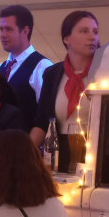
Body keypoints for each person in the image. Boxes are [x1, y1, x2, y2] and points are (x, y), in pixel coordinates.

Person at [31, 10, 100, 173]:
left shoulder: (104, 72)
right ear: (66, 38)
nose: (92, 37)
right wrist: (23, 153)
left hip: (96, 159)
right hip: (59, 158)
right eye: (84, 31)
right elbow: (42, 121)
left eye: (95, 31)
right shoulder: (53, 73)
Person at [0, 5, 53, 129]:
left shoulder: (43, 67)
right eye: (1, 29)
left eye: (8, 29)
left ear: (25, 31)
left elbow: (47, 116)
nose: (3, 35)